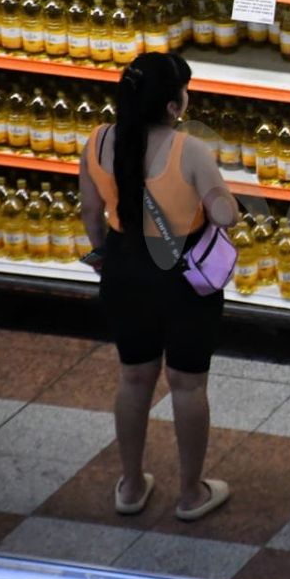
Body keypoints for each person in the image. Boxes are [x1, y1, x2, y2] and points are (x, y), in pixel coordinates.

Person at [78, 52, 239, 522]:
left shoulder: (99, 140)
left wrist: (104, 256)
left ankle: (130, 485)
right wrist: (225, 204)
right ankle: (190, 494)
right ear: (173, 106)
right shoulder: (188, 150)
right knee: (187, 385)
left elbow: (91, 214)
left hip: (125, 265)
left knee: (132, 377)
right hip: (183, 275)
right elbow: (223, 212)